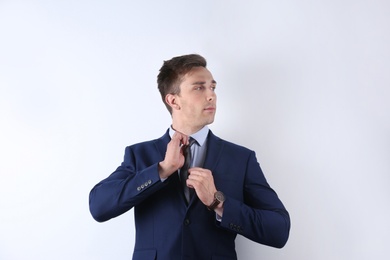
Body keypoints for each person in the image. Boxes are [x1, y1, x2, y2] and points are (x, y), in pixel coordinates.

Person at [89, 54, 290, 260]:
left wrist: (218, 202)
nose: (211, 95)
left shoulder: (241, 158)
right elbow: (99, 206)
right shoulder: (139, 155)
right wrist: (162, 170)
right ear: (173, 100)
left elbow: (279, 230)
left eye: (212, 87)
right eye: (199, 87)